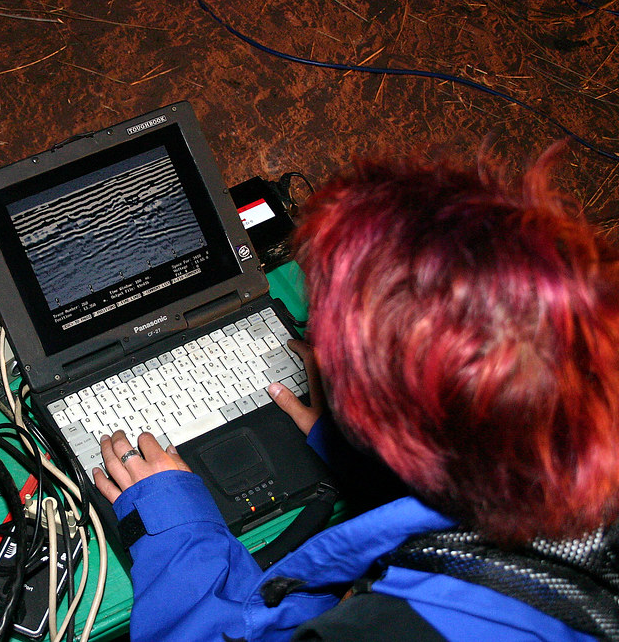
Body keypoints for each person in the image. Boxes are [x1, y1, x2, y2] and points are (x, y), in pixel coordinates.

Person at [92, 148, 619, 641]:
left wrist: (175, 533)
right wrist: (352, 448)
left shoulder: (396, 627)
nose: (311, 344)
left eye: (318, 336)